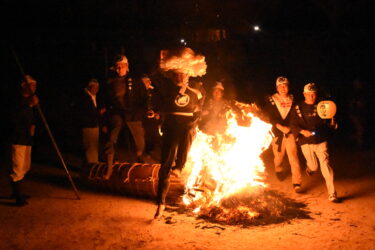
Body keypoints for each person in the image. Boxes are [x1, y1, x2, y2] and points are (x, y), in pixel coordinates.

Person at [152, 47, 206, 219]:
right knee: (164, 167)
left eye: (183, 73)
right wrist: (161, 59)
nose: (180, 76)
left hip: (186, 127)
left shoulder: (197, 91)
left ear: (189, 74)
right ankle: (160, 203)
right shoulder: (166, 88)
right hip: (170, 127)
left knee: (189, 130)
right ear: (172, 74)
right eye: (177, 73)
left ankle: (180, 166)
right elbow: (153, 77)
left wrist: (194, 122)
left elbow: (199, 112)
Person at [291, 82, 339, 202]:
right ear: (304, 94)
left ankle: (332, 193)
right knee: (314, 166)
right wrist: (302, 131)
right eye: (309, 94)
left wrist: (333, 124)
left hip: (321, 140)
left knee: (325, 165)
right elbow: (293, 124)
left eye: (314, 94)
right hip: (306, 141)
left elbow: (328, 123)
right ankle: (310, 169)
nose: (312, 97)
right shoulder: (298, 108)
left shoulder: (322, 106)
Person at [103, 54, 148, 180]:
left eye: (121, 67)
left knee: (139, 144)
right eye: (116, 67)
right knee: (110, 140)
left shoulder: (136, 81)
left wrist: (141, 113)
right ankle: (109, 169)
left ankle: (140, 170)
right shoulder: (110, 83)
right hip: (117, 114)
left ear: (126, 66)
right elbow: (106, 101)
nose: (119, 70)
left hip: (133, 115)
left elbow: (144, 99)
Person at [263, 76, 302, 193]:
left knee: (293, 156)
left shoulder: (293, 99)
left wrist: (290, 128)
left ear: (288, 87)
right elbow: (269, 118)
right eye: (280, 86)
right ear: (277, 88)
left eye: (285, 85)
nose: (283, 88)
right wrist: (280, 127)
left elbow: (295, 116)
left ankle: (297, 183)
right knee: (279, 157)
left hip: (290, 132)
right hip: (277, 133)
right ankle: (278, 169)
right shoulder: (272, 100)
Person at [8, 75, 39, 206]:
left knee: (25, 166)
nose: (33, 87)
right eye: (31, 85)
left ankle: (17, 192)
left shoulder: (30, 102)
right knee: (18, 168)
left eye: (34, 85)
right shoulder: (18, 100)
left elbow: (32, 118)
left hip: (27, 139)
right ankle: (17, 197)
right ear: (24, 86)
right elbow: (15, 117)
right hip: (18, 138)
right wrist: (29, 104)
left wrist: (33, 125)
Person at [78, 79, 105, 167]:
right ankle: (91, 166)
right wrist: (98, 113)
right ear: (90, 87)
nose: (97, 89)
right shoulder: (85, 98)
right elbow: (86, 112)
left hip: (94, 125)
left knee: (93, 147)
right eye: (95, 87)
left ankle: (91, 165)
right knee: (89, 147)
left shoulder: (93, 97)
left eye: (98, 87)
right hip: (88, 126)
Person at [141, 74, 162, 162]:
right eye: (142, 82)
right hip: (144, 120)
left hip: (154, 121)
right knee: (145, 138)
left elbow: (161, 104)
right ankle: (147, 155)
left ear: (149, 82)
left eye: (145, 82)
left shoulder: (155, 93)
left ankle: (161, 157)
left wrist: (157, 113)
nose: (143, 84)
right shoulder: (140, 93)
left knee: (156, 137)